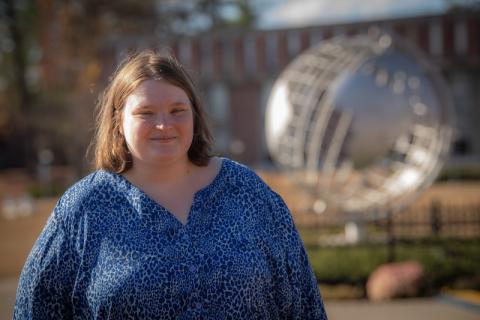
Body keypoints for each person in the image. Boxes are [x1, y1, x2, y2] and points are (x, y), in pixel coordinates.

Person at [14, 50, 328, 319]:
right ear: (118, 123)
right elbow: (33, 310)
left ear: (195, 115)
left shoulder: (248, 192)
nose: (164, 125)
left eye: (177, 111)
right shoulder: (82, 210)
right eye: (146, 113)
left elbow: (303, 303)